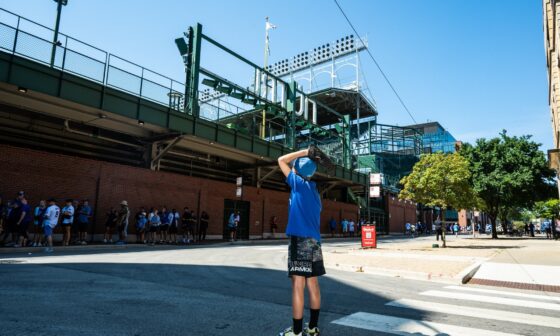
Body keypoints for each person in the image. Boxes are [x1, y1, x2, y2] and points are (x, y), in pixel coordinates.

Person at [277, 147, 326, 336]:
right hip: (315, 242)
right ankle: (312, 329)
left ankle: (296, 333)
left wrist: (303, 152)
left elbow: (281, 160)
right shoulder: (315, 192)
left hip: (300, 240)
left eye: (294, 168)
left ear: (297, 170)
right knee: (313, 285)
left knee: (298, 285)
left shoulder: (297, 183)